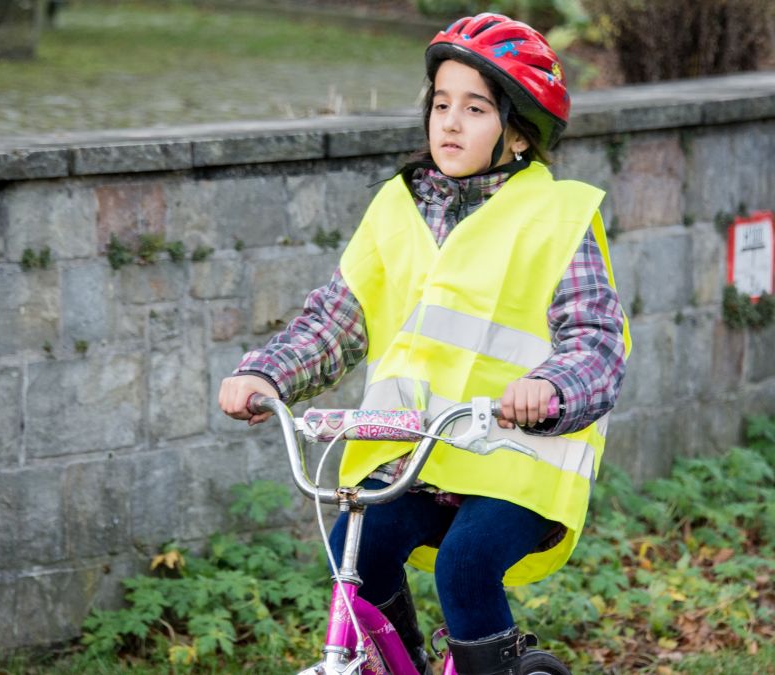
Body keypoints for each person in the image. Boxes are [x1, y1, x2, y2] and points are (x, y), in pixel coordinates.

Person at [219, 13, 631, 675]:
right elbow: (334, 321)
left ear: (518, 128)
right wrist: (267, 373)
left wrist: (550, 389)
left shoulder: (558, 216)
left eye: (474, 108)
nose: (450, 122)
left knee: (466, 567)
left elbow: (597, 344)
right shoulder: (397, 207)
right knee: (356, 548)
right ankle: (399, 661)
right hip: (413, 454)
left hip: (512, 459)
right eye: (441, 103)